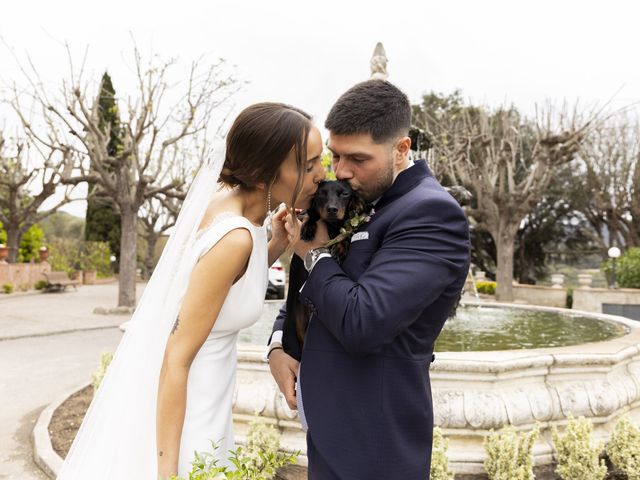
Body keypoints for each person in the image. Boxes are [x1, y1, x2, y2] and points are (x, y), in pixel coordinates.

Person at [58, 102, 325, 479]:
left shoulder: (226, 206)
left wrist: (275, 246)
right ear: (264, 175)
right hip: (192, 422)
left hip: (202, 407)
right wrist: (166, 472)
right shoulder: (235, 238)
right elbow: (176, 358)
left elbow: (220, 290)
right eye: (308, 165)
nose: (321, 175)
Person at [267, 80, 470, 479]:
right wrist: (280, 342)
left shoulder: (430, 213)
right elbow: (311, 287)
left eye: (357, 158)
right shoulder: (346, 200)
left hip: (373, 443)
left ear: (401, 149)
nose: (341, 171)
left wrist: (313, 252)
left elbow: (364, 322)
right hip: (329, 430)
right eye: (335, 155)